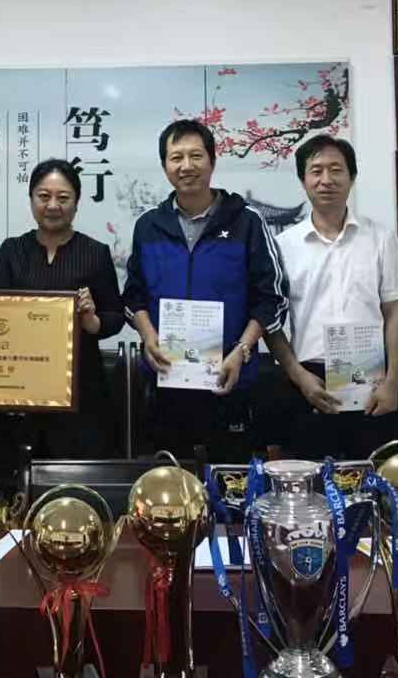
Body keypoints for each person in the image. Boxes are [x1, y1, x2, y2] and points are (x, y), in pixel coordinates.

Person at [123, 120, 289, 462]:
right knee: (171, 483)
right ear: (165, 166)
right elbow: (134, 294)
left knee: (232, 482)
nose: (186, 166)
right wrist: (149, 336)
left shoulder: (247, 221)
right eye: (176, 157)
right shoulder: (149, 226)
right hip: (166, 380)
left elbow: (271, 297)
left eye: (196, 156)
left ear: (212, 161)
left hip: (230, 379)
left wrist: (241, 350)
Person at [268, 136, 398, 461]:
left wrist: (393, 382)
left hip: (372, 381)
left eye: (336, 170)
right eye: (316, 170)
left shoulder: (380, 238)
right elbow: (271, 321)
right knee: (312, 479)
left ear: (352, 177)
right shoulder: (283, 246)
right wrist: (298, 376)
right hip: (309, 381)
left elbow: (395, 312)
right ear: (303, 180)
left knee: (370, 477)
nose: (326, 179)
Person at [0, 159, 127, 457]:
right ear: (31, 199)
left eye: (63, 197)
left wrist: (92, 321)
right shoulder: (12, 251)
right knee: (20, 468)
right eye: (44, 196)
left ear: (76, 202)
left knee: (78, 471)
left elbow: (115, 316)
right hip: (21, 384)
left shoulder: (95, 252)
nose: (53, 205)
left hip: (82, 387)